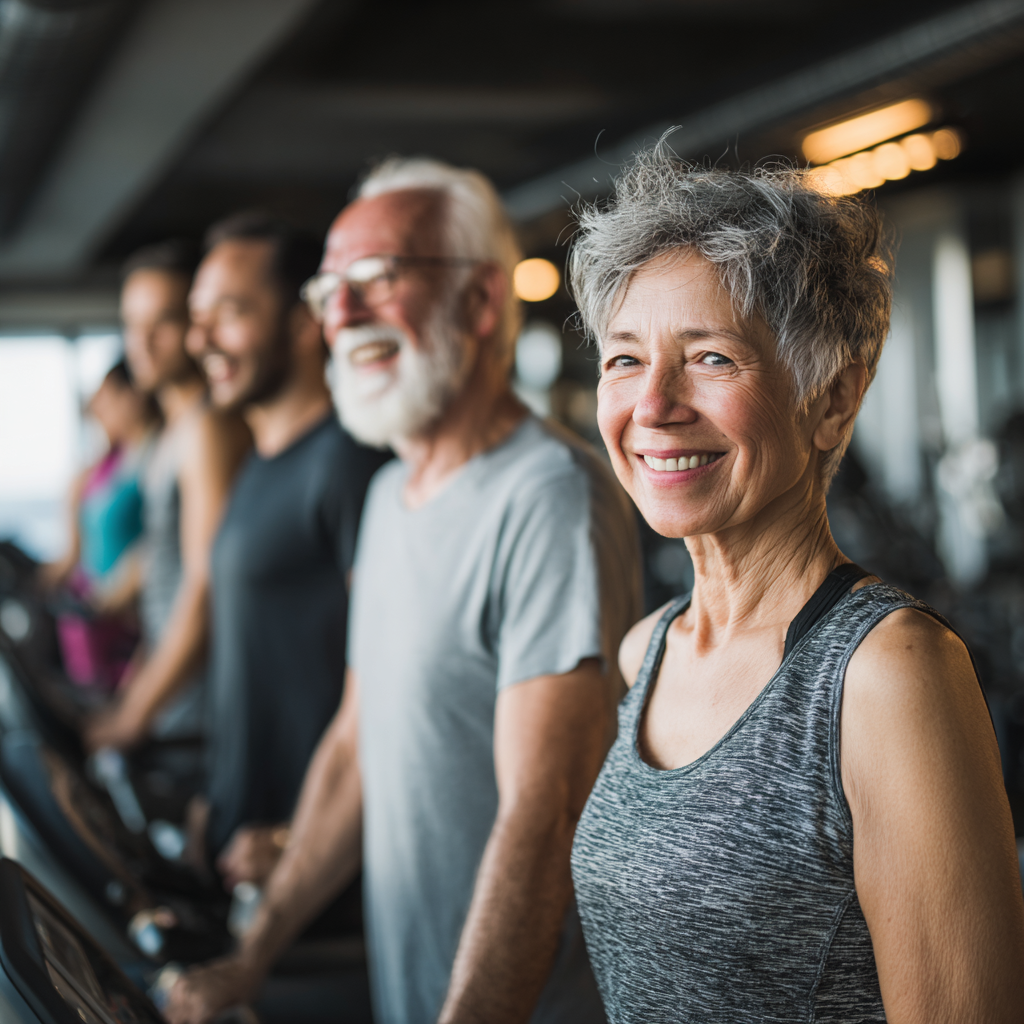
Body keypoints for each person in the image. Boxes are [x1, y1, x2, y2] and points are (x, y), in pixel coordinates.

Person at [165, 159, 642, 1024]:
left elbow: (544, 818)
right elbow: (357, 744)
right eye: (330, 291)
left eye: (379, 278)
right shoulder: (390, 494)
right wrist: (252, 955)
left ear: (481, 301)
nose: (343, 314)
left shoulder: (547, 495)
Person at [566, 146, 1024, 1022]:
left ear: (833, 401)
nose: (652, 405)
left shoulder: (888, 676)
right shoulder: (647, 651)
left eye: (710, 358)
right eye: (625, 360)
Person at [183, 211, 389, 871]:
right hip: (239, 834)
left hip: (307, 859)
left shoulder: (348, 462)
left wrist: (299, 839)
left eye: (229, 313)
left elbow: (392, 689)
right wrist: (216, 789)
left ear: (305, 323)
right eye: (197, 316)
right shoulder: (259, 459)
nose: (199, 339)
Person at [84, 242, 250, 749]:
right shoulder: (170, 434)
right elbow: (165, 579)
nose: (142, 343)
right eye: (132, 324)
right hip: (173, 692)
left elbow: (205, 588)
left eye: (163, 323)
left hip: (200, 703)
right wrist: (135, 692)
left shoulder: (207, 428)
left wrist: (133, 716)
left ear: (196, 325)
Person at [40, 360, 158, 688]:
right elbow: (77, 549)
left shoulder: (155, 457)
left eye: (108, 400)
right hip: (90, 616)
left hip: (129, 619)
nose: (98, 411)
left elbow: (156, 541)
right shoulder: (103, 467)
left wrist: (114, 595)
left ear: (134, 396)